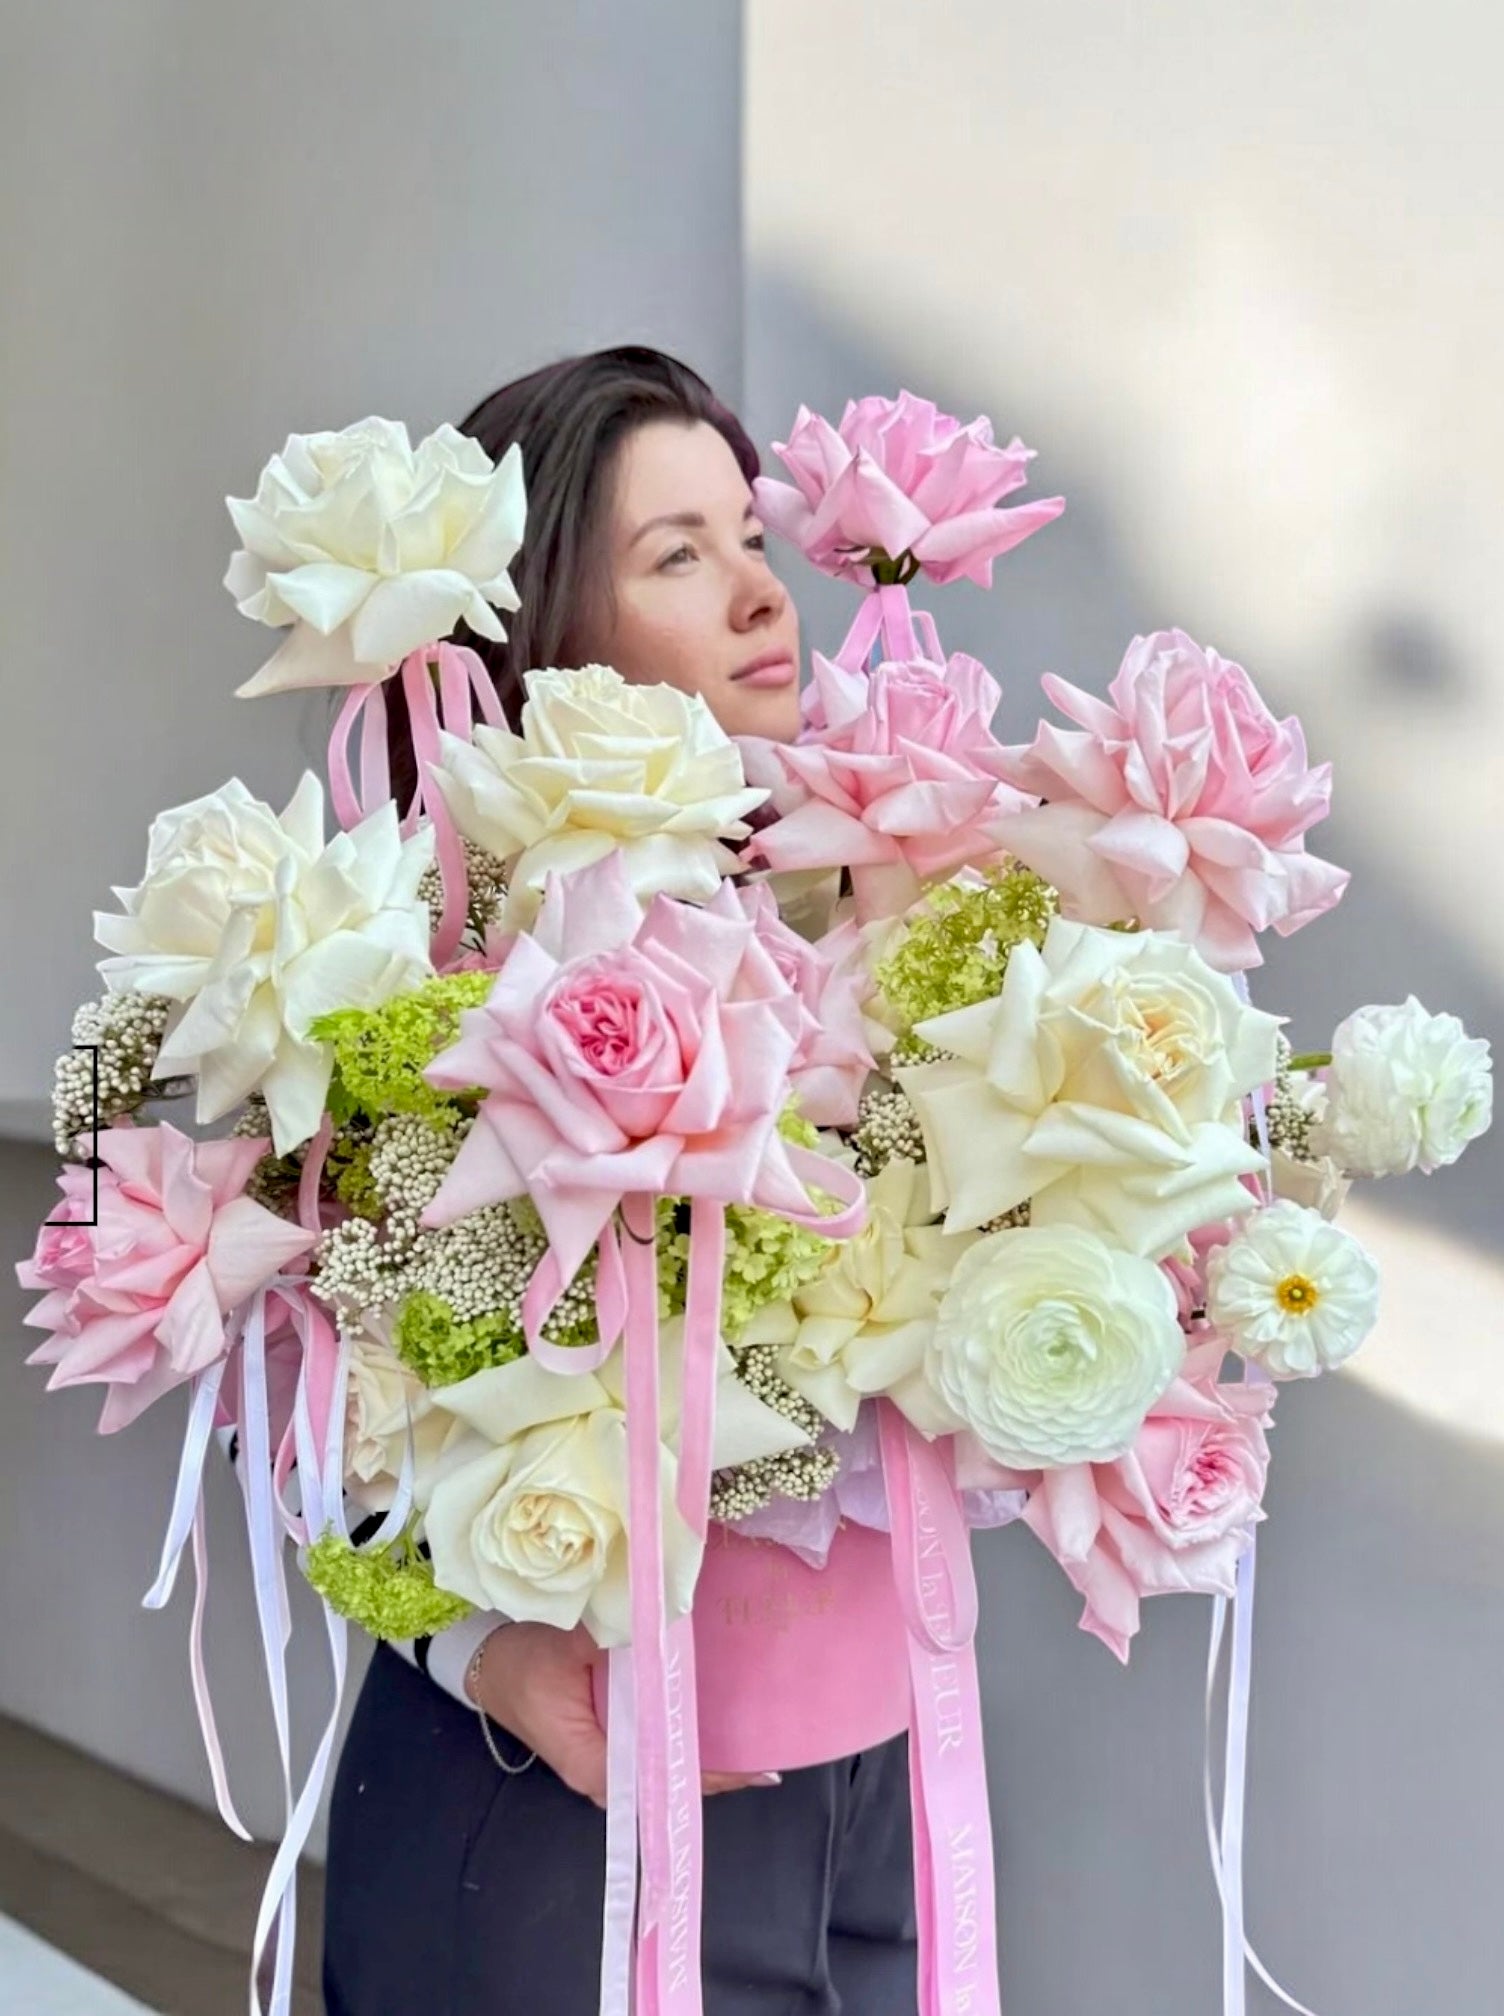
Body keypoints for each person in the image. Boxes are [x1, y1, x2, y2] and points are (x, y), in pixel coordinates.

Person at [320, 346, 918, 2015]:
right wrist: (477, 1648)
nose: (755, 594)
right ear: (546, 640)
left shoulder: (892, 906)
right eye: (677, 556)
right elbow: (280, 1392)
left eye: (752, 538)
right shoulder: (408, 962)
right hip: (545, 1799)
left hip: (869, 1771)